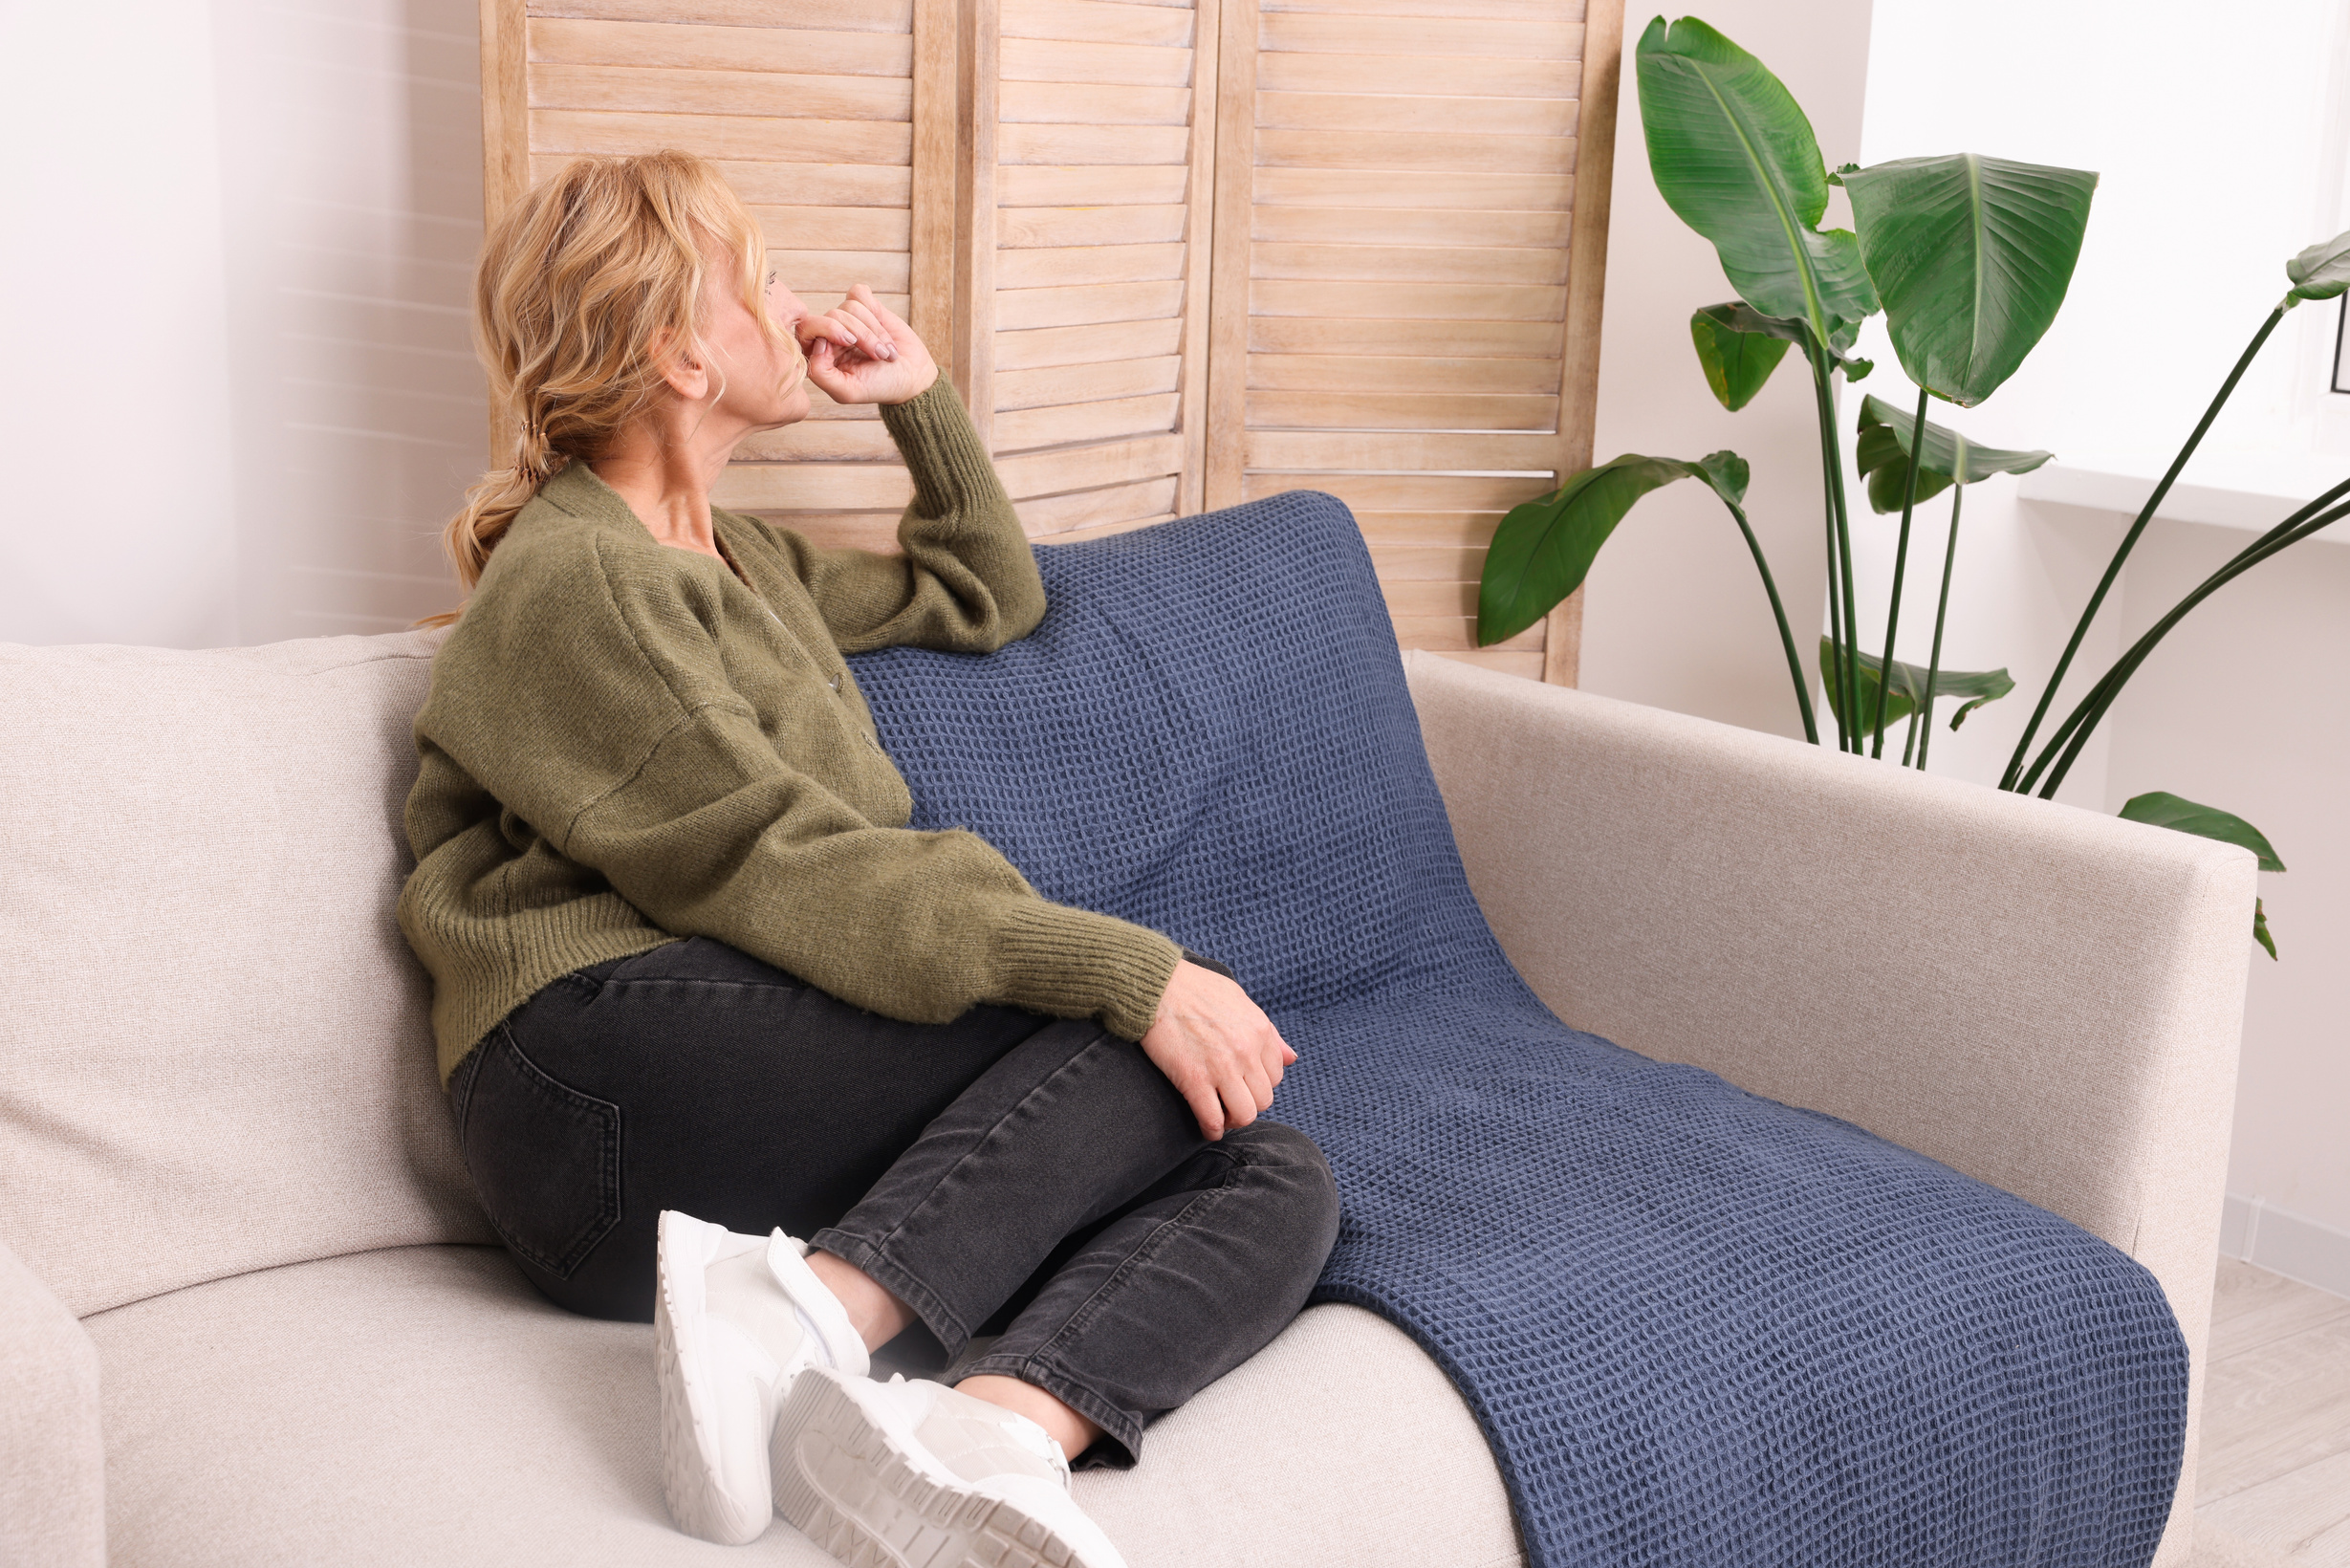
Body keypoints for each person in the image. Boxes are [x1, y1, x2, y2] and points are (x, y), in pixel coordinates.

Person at [396, 150, 1340, 1568]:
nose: (793, 304)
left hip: (702, 1101)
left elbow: (983, 591)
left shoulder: (740, 559)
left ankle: (981, 1438)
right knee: (1131, 1039)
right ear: (679, 355)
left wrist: (920, 406)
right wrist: (1123, 970)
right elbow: (779, 865)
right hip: (586, 1090)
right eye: (759, 282)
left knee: (1267, 1174)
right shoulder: (576, 579)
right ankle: (786, 1320)